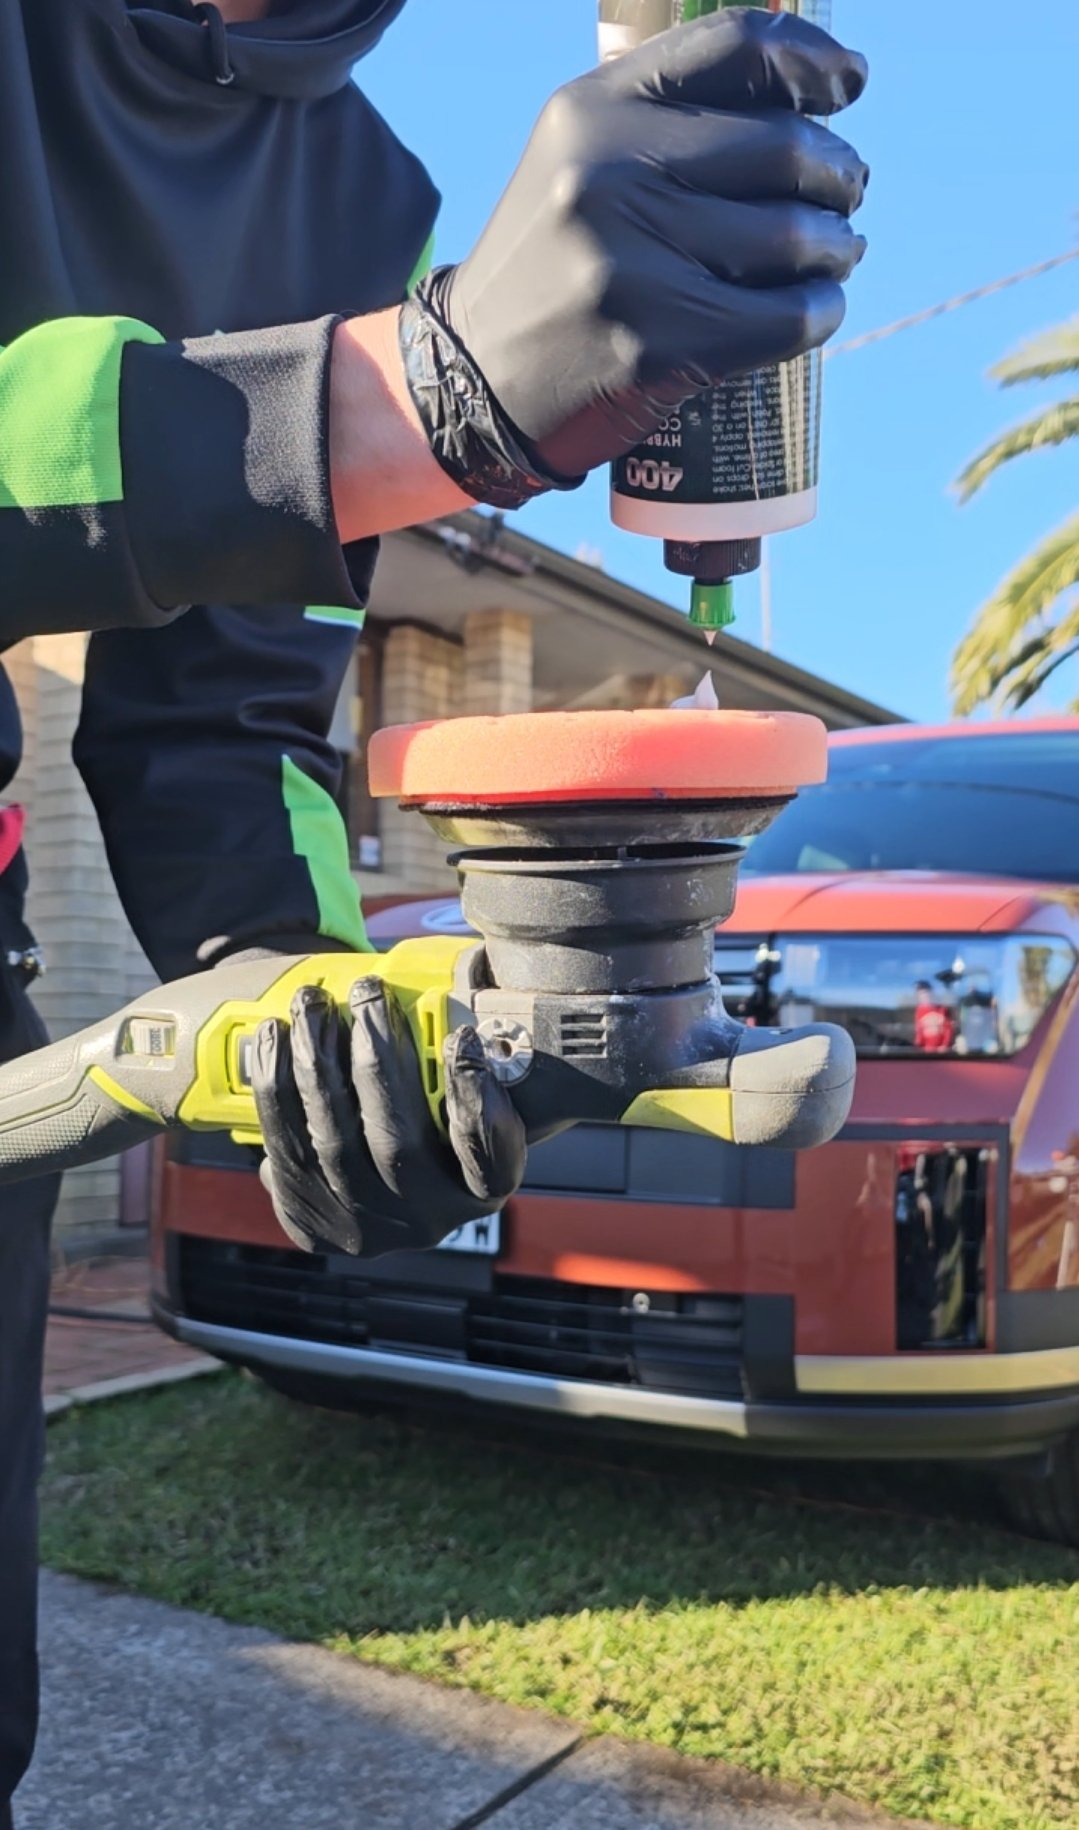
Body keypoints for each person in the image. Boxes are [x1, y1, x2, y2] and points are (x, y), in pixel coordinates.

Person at [0, 1, 868, 1817]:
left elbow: (224, 712)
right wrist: (387, 402)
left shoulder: (362, 181)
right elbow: (319, 445)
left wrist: (310, 997)